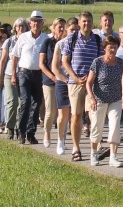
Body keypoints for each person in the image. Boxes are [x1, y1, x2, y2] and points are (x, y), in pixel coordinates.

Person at [61, 11, 103, 161]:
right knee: (76, 115)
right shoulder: (71, 39)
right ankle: (76, 148)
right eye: (84, 21)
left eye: (89, 21)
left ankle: (96, 147)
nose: (86, 24)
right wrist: (75, 78)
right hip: (75, 83)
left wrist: (94, 78)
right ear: (79, 23)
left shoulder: (97, 40)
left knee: (93, 113)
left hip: (92, 83)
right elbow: (65, 61)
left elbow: (100, 61)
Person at [86, 35, 123, 167]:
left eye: (115, 47)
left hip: (115, 99)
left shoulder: (120, 63)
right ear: (105, 48)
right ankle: (93, 153)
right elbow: (89, 83)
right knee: (97, 126)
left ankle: (113, 156)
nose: (113, 50)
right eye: (110, 48)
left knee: (115, 126)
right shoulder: (97, 62)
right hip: (99, 99)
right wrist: (92, 98)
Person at [11, 10, 49, 145]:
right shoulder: (23, 37)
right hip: (24, 73)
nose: (36, 24)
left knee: (36, 103)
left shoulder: (45, 38)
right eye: (34, 21)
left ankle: (30, 132)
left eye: (39, 21)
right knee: (25, 101)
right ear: (30, 23)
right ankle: (21, 131)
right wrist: (13, 74)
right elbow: (15, 56)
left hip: (38, 74)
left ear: (42, 23)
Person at [51, 18, 78, 155]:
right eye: (72, 30)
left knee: (75, 114)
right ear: (67, 29)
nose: (74, 32)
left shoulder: (81, 44)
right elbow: (55, 68)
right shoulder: (60, 44)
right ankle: (60, 140)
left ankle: (75, 143)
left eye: (76, 30)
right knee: (63, 114)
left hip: (77, 83)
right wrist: (66, 80)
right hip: (63, 81)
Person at [39, 17, 67, 148]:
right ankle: (47, 133)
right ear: (54, 28)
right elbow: (41, 64)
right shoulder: (48, 42)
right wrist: (52, 76)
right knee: (51, 111)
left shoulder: (67, 42)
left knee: (64, 111)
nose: (61, 29)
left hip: (65, 80)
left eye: (63, 26)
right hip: (50, 81)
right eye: (59, 26)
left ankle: (61, 138)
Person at [0, 18, 25, 139]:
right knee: (12, 102)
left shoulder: (28, 40)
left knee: (21, 103)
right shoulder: (9, 41)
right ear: (15, 28)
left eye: (23, 26)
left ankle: (19, 127)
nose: (20, 28)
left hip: (23, 74)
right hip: (9, 74)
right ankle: (10, 127)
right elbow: (3, 61)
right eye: (18, 26)